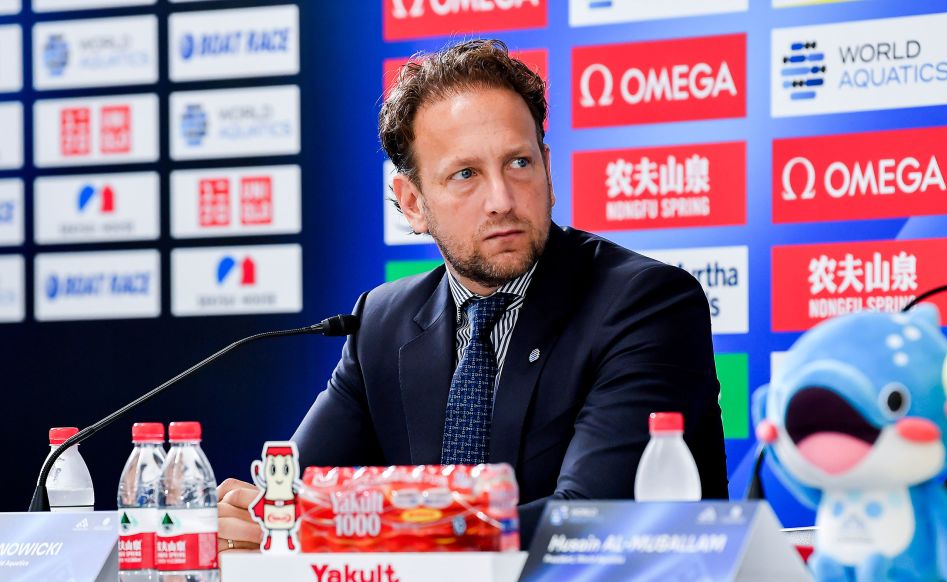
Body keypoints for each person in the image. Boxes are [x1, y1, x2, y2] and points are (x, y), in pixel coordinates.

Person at [217, 39, 728, 551]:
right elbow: (292, 501)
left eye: (519, 164)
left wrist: (370, 529)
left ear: (548, 172)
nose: (502, 200)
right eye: (466, 175)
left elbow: (587, 520)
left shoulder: (646, 303)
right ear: (413, 203)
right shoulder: (381, 323)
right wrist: (258, 518)